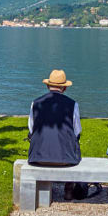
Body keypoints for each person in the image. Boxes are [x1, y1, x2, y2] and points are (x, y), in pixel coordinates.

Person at [28, 69, 82, 200]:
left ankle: (45, 189)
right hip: (66, 159)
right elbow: (77, 131)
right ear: (64, 88)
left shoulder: (36, 103)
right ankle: (69, 188)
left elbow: (31, 128)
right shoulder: (72, 104)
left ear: (47, 85)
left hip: (38, 158)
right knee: (74, 142)